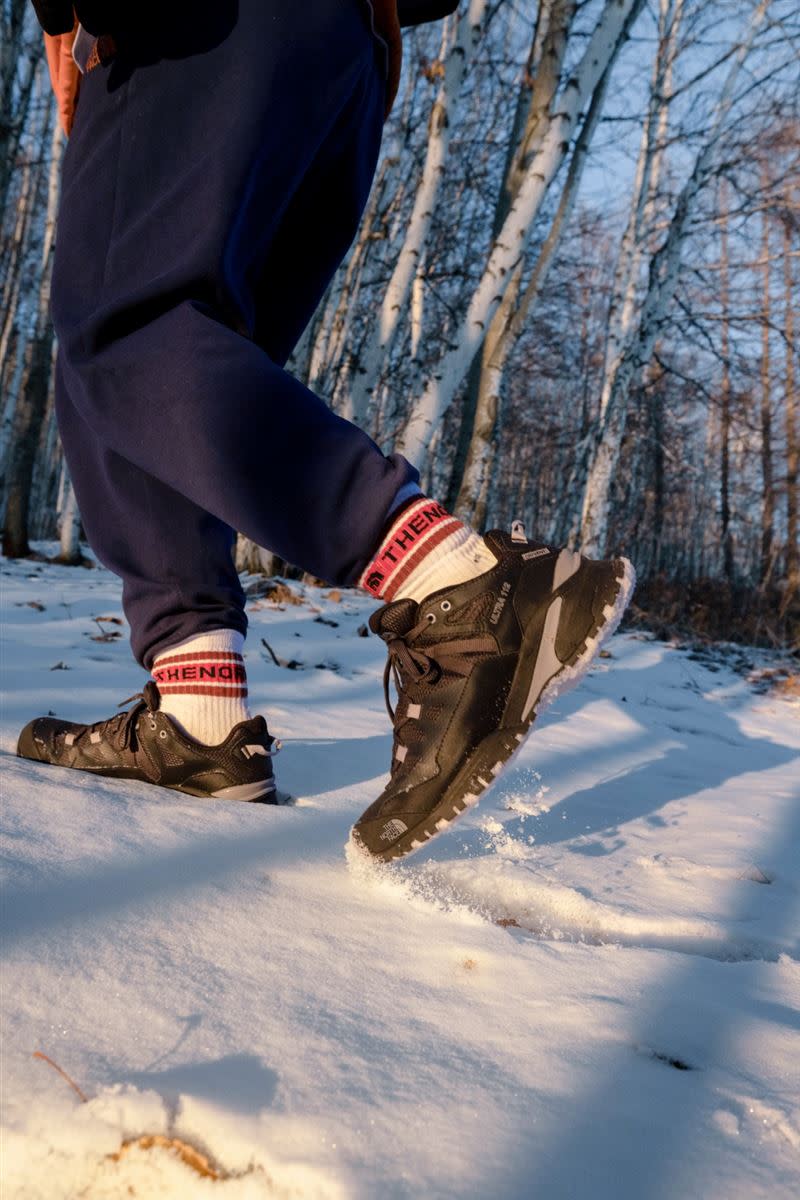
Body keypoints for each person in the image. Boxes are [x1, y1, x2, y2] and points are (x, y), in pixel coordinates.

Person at [17, 0, 635, 862]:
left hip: (201, 27)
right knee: (175, 359)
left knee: (126, 327)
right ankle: (199, 714)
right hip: (340, 49)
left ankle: (458, 589)